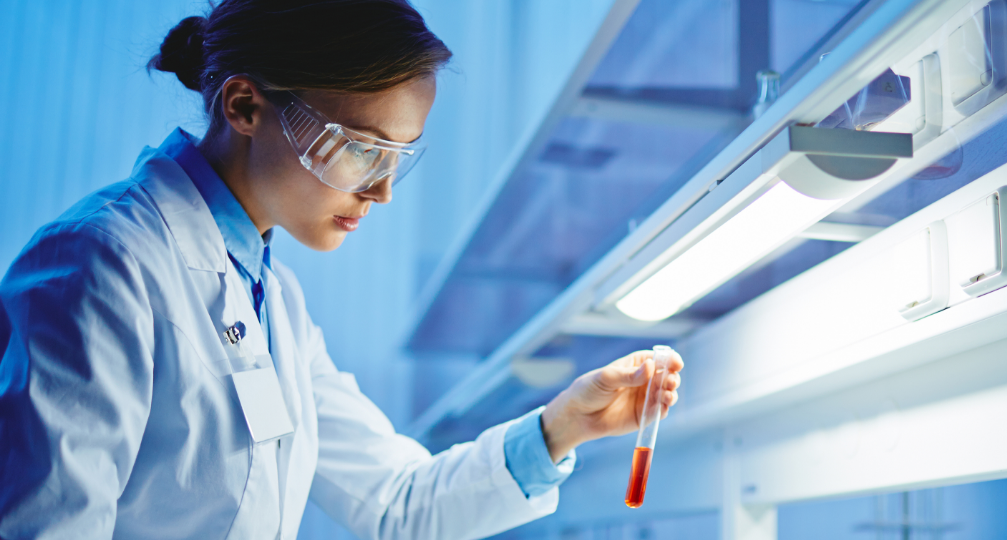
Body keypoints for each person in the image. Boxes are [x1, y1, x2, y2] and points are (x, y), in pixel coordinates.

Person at [0, 1, 684, 539]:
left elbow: (396, 504)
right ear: (244, 106)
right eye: (361, 149)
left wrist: (564, 426)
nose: (383, 190)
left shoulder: (274, 303)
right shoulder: (98, 263)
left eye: (399, 158)